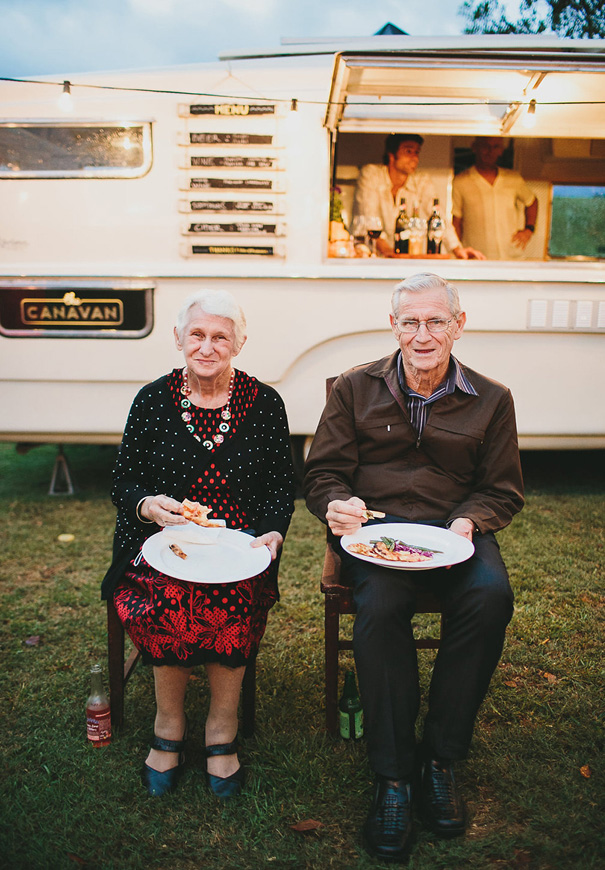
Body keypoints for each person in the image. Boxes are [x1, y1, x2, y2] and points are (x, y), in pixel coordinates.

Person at [304, 273, 524, 863]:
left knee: (490, 597)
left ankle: (440, 759)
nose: (422, 334)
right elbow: (322, 473)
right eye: (410, 322)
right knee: (378, 607)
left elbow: (502, 490)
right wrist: (336, 505)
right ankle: (394, 777)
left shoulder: (492, 398)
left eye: (435, 321)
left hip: (454, 536)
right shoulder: (353, 389)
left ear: (458, 325)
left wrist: (469, 522)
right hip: (379, 541)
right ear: (393, 325)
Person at [102, 288, 296, 799]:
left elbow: (281, 488)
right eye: (197, 335)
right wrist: (147, 505)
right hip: (160, 545)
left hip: (238, 548)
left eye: (220, 337)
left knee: (229, 596)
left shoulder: (265, 404)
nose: (207, 346)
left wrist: (273, 532)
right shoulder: (152, 400)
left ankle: (221, 730)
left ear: (239, 343)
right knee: (168, 596)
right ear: (178, 339)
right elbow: (123, 481)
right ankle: (169, 726)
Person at [351, 133, 484, 259]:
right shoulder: (371, 175)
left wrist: (457, 249)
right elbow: (368, 218)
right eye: (408, 151)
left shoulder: (421, 181)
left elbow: (439, 216)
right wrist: (387, 251)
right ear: (391, 155)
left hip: (404, 260)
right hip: (372, 257)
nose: (414, 158)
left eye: (417, 152)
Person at [452, 137, 538, 259]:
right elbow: (456, 221)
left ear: (501, 151)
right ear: (475, 147)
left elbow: (532, 201)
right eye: (485, 146)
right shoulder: (461, 181)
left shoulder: (513, 178)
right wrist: (459, 252)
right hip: (477, 258)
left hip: (511, 257)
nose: (490, 151)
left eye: (496, 147)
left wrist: (529, 229)